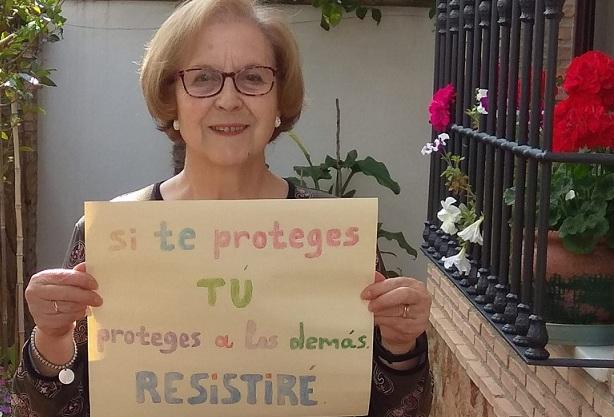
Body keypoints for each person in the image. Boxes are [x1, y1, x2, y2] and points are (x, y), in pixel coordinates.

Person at [11, 0, 433, 415]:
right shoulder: (111, 236)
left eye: (253, 77)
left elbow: (395, 408)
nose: (229, 99)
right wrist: (52, 338)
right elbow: (57, 407)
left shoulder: (338, 236)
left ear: (279, 99)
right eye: (203, 78)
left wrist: (400, 345)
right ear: (171, 99)